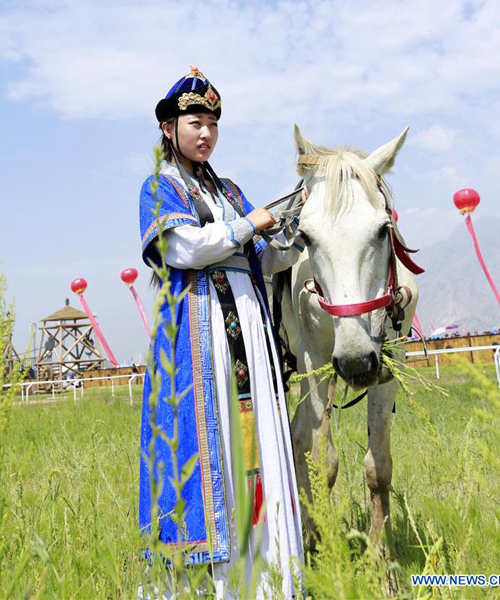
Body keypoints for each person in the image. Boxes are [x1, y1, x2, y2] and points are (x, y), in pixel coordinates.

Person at [138, 67, 304, 598]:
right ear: (169, 128)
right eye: (195, 122)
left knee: (257, 446)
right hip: (198, 333)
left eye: (212, 123)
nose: (206, 132)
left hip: (248, 328)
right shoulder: (159, 187)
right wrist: (251, 224)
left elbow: (265, 259)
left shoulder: (229, 190)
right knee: (209, 445)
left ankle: (269, 580)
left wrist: (299, 232)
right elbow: (184, 247)